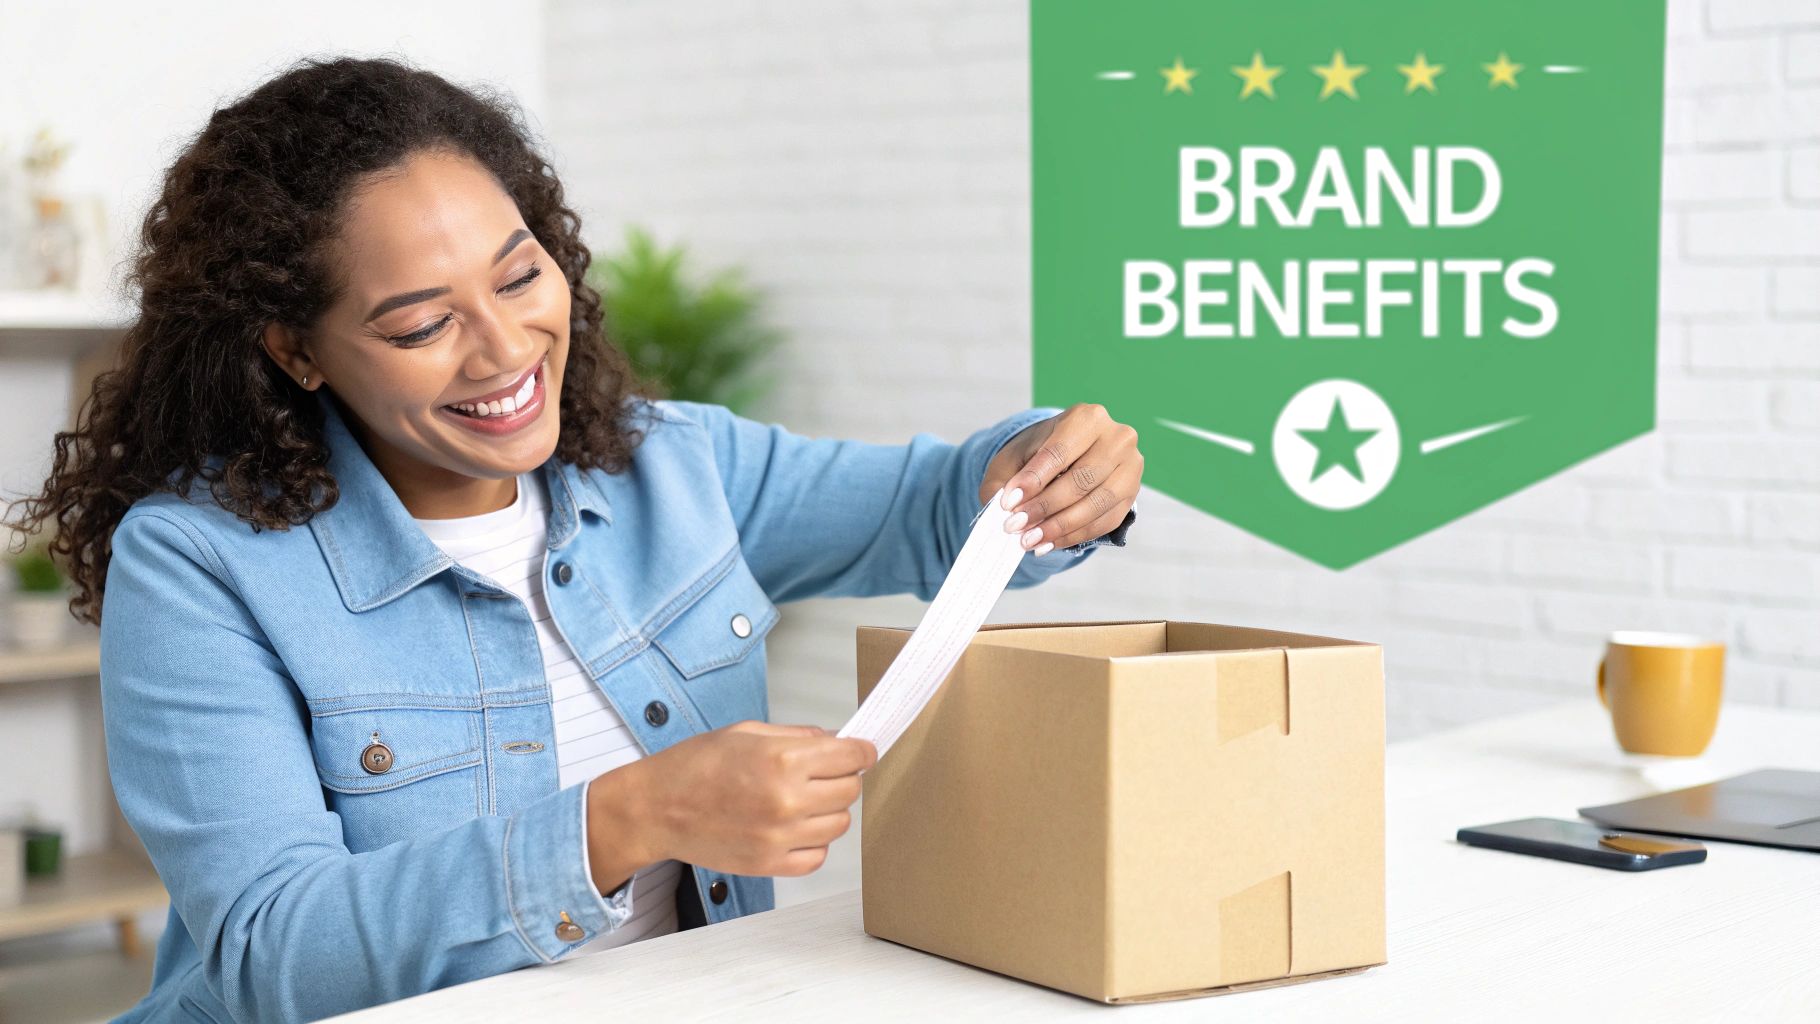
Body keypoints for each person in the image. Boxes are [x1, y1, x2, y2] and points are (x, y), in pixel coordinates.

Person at [5, 56, 1141, 1023]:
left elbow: (934, 505)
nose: (504, 350)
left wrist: (1044, 463)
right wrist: (633, 815)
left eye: (518, 275)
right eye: (421, 323)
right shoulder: (199, 565)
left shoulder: (668, 464)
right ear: (297, 351)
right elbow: (274, 950)